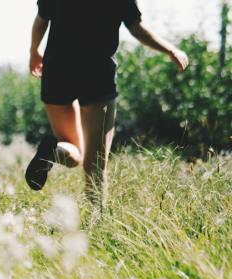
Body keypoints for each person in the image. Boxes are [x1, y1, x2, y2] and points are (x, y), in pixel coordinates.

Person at [25, 0, 189, 203]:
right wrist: (171, 50)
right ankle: (96, 225)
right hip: (97, 75)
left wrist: (34, 51)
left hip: (57, 72)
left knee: (72, 148)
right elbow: (136, 27)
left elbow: (42, 20)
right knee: (95, 166)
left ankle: (53, 151)